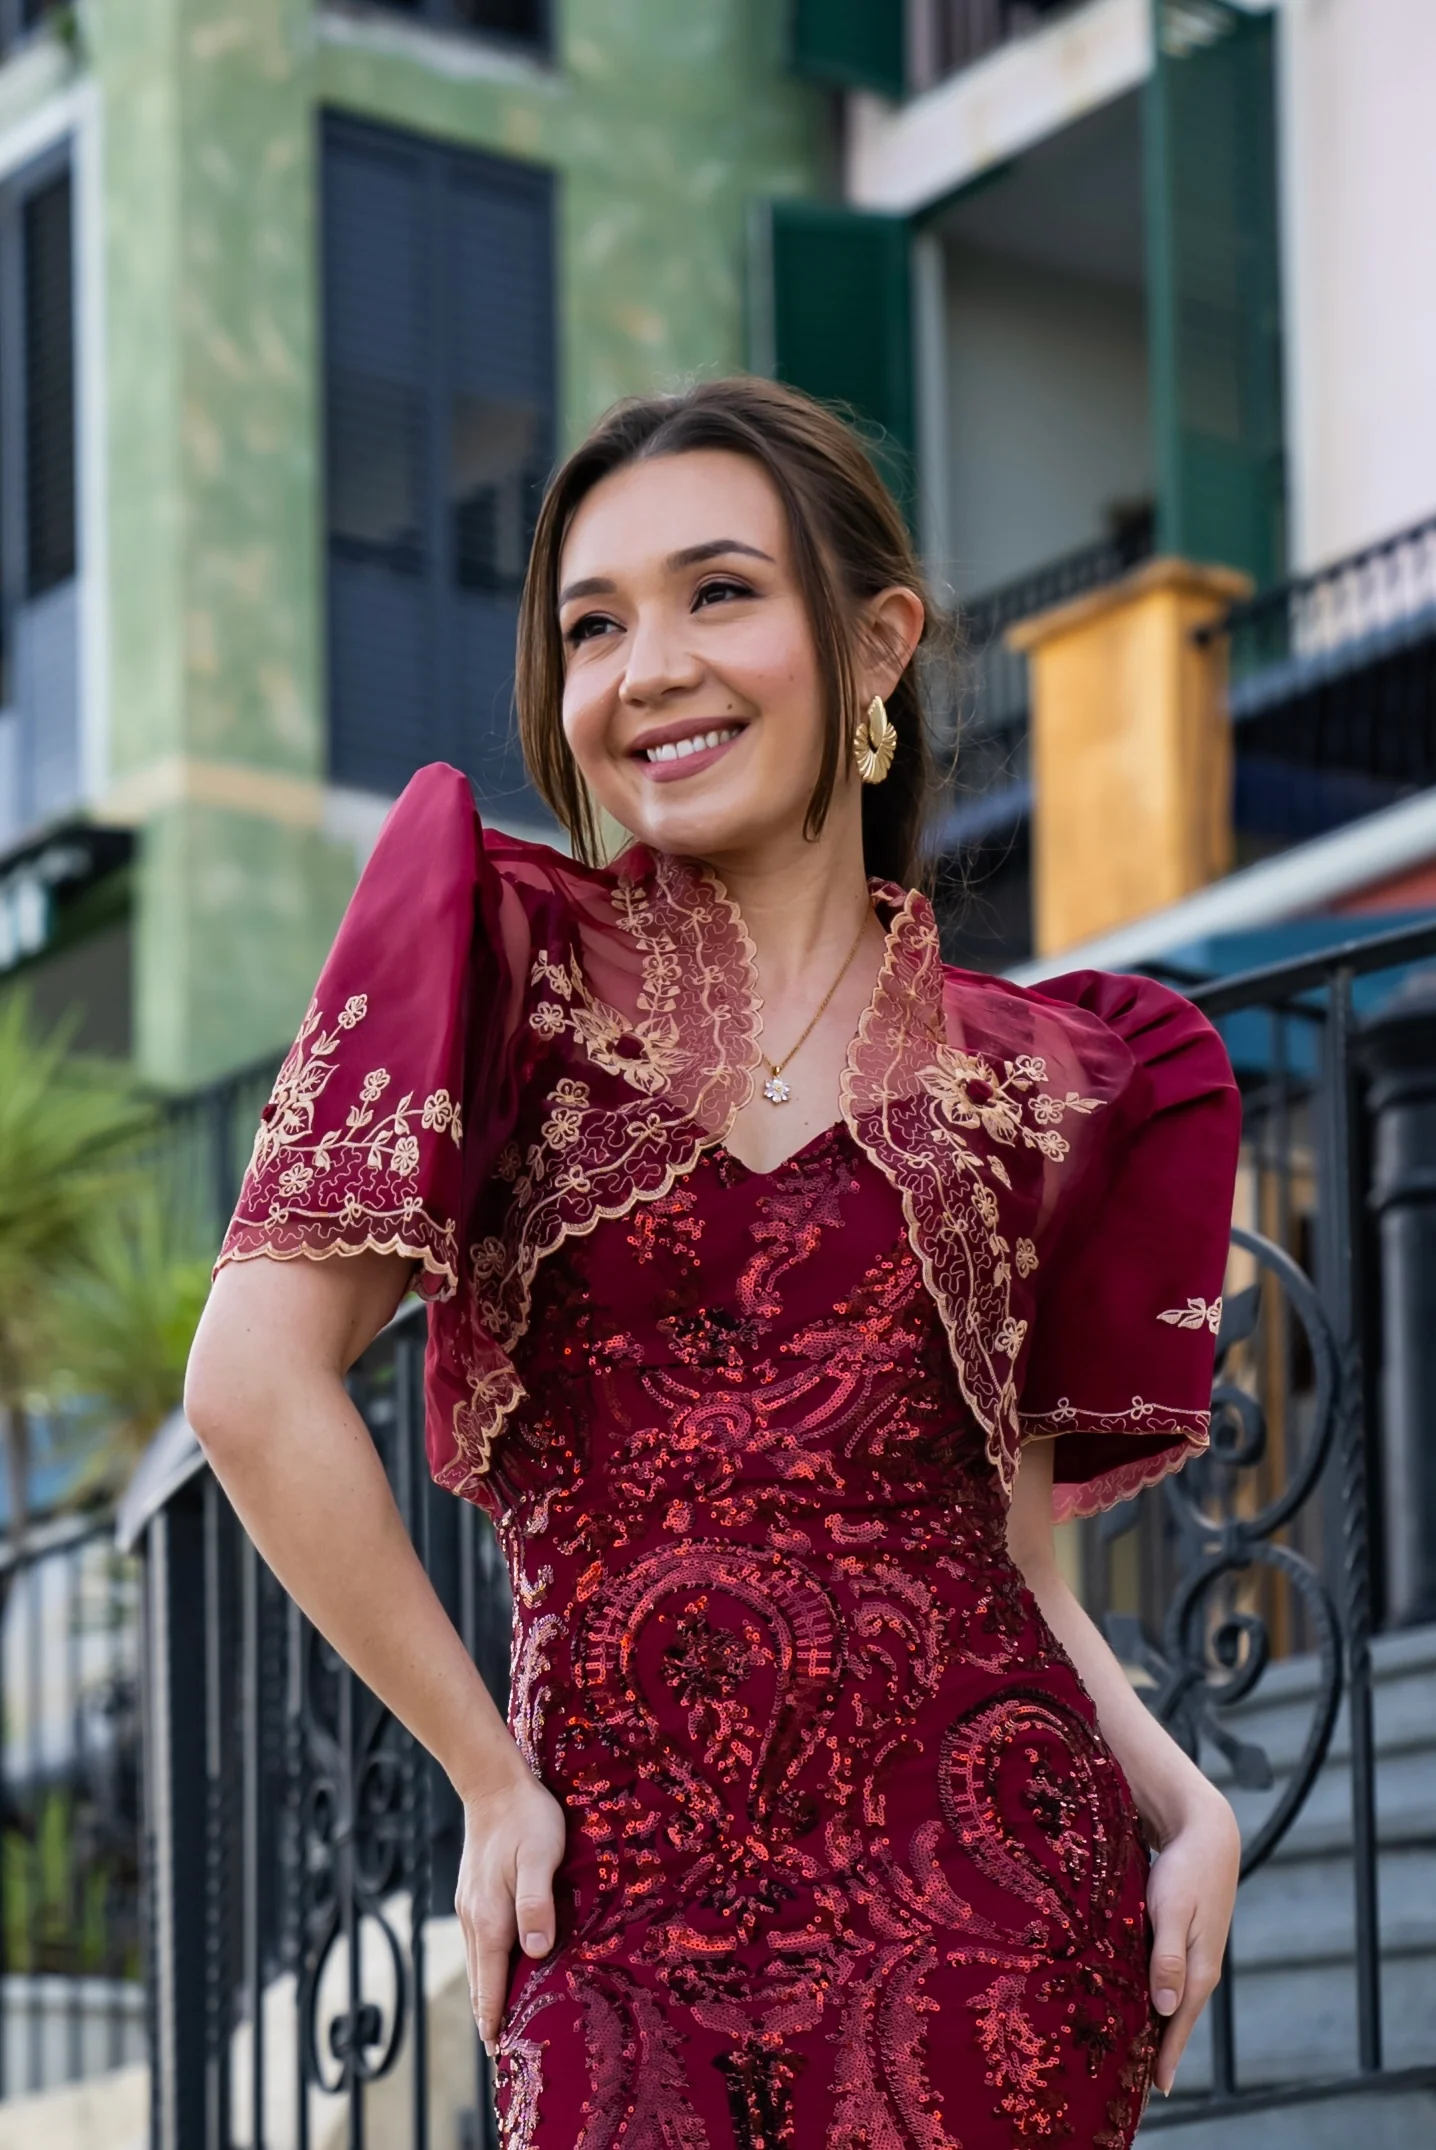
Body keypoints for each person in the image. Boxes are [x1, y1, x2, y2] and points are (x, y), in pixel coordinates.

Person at [186, 377, 1243, 2149]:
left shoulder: (1041, 1079)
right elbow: (246, 1380)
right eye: (593, 624)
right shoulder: (497, 953)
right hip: (618, 1916)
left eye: (720, 592)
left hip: (997, 1913)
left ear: (877, 642)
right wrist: (486, 1778)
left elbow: (1019, 1565)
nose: (647, 665)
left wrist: (1185, 1804)